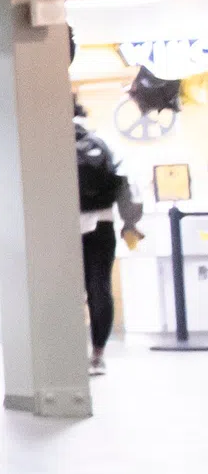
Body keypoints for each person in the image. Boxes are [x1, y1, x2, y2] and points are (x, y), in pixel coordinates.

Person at [76, 101, 142, 376]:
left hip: (62, 225)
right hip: (102, 222)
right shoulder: (104, 143)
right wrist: (130, 223)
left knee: (66, 290)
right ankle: (98, 355)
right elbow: (127, 186)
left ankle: (67, 351)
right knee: (99, 287)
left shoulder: (51, 141)